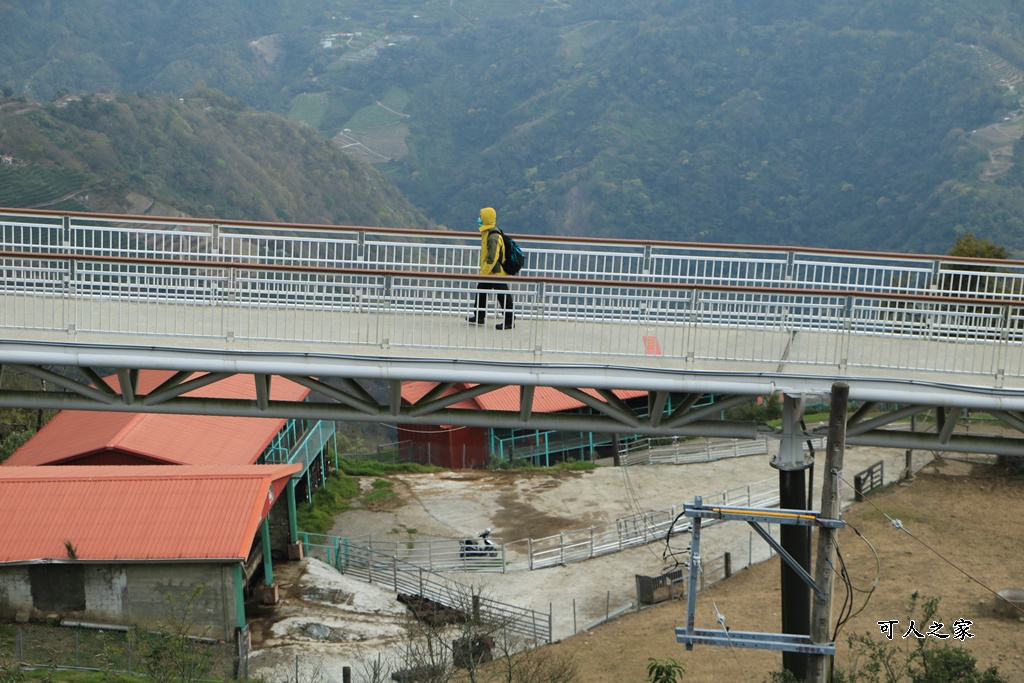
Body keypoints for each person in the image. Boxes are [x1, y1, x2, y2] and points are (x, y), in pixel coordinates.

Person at [467, 206, 514, 330]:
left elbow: (492, 258)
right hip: (491, 271)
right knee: (481, 289)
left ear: (486, 219)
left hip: (495, 272)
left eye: (481, 217)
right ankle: (479, 316)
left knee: (502, 294)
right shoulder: (487, 232)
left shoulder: (493, 236)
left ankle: (509, 321)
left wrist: (483, 273)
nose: (479, 219)